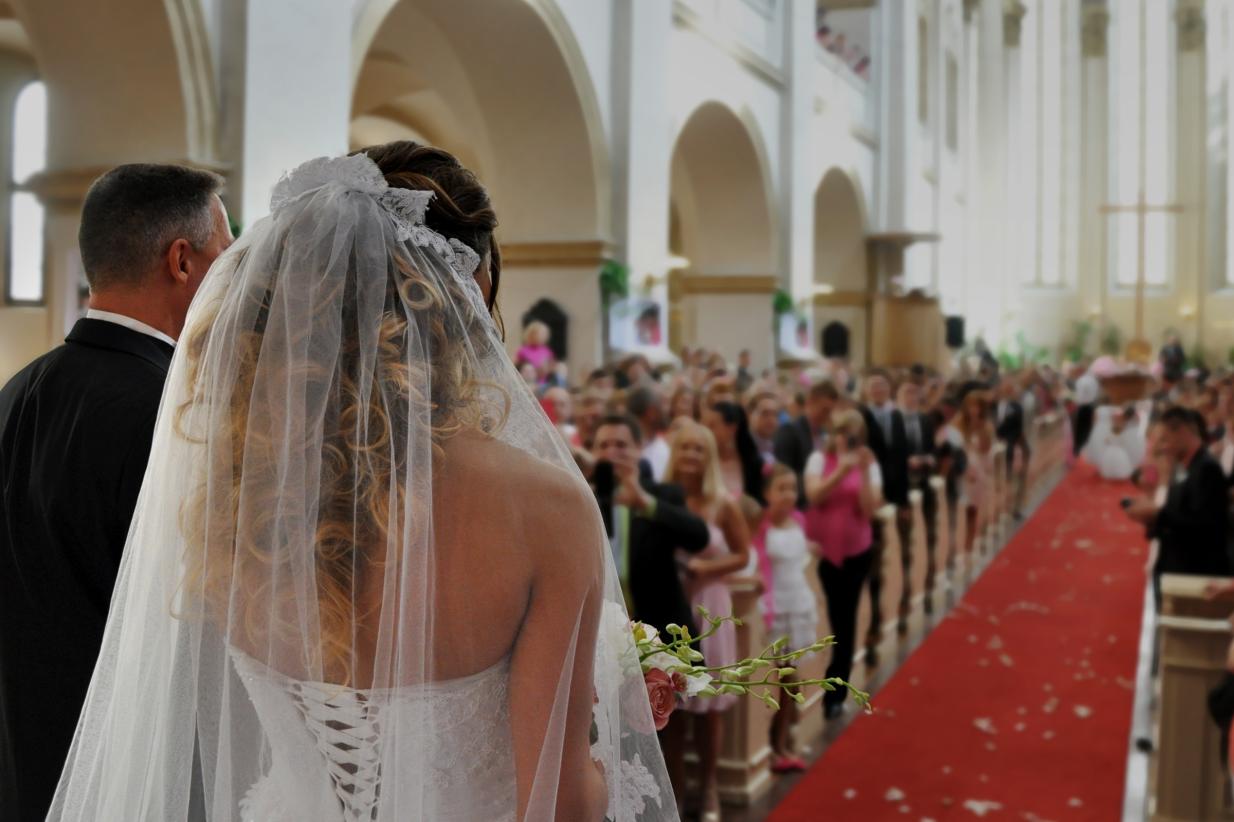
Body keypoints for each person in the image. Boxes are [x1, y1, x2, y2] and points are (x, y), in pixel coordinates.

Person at [45, 148, 678, 822]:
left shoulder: (231, 496)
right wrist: (608, 757)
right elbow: (558, 806)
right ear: (466, 298)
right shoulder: (545, 511)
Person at [0, 164, 232, 821]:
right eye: (224, 252)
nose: (230, 276)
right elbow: (196, 632)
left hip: (19, 771)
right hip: (122, 776)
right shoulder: (174, 417)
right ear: (181, 260)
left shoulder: (16, 392)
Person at [663, 420, 751, 822]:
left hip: (711, 605)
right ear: (675, 454)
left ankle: (710, 789)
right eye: (685, 449)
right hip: (670, 606)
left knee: (710, 707)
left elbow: (743, 555)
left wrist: (706, 566)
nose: (691, 457)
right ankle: (676, 793)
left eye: (699, 450)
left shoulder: (723, 503)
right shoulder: (666, 499)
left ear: (709, 457)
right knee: (673, 705)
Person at [804, 409, 881, 718]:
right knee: (830, 617)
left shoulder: (868, 465)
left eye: (852, 435)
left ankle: (836, 691)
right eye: (840, 433)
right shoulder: (819, 461)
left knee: (845, 620)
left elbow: (869, 509)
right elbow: (814, 496)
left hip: (856, 551)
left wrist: (861, 471)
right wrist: (840, 471)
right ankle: (817, 682)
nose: (845, 440)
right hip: (823, 553)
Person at [1125, 406, 1232, 605]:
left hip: (1196, 572)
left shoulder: (1207, 468)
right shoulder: (1188, 465)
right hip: (1178, 564)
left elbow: (1204, 526)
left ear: (1183, 432)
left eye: (1166, 439)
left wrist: (1157, 515)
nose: (1163, 447)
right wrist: (1153, 517)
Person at [750, 463, 818, 772]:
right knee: (777, 679)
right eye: (782, 489)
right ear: (767, 493)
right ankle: (772, 743)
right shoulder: (762, 527)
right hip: (774, 608)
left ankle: (785, 738)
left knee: (793, 677)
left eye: (793, 488)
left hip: (798, 603)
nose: (789, 495)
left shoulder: (800, 520)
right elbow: (759, 566)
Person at [859, 369, 912, 647]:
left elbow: (901, 457)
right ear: (867, 390)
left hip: (895, 491)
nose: (878, 390)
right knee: (875, 559)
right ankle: (874, 619)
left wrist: (903, 500)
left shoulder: (896, 415)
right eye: (874, 385)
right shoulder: (861, 417)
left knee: (903, 549)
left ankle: (901, 600)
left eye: (882, 385)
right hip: (873, 494)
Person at [898, 379, 940, 610]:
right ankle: (906, 594)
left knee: (930, 535)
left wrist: (928, 459)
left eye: (914, 394)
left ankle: (928, 589)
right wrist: (906, 461)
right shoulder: (894, 421)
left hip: (924, 483)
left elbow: (932, 448)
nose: (911, 398)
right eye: (907, 393)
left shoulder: (925, 420)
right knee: (906, 541)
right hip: (903, 484)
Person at [946, 389, 996, 559]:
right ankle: (953, 549)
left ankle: (968, 546)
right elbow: (952, 448)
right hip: (961, 471)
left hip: (979, 470)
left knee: (972, 510)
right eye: (970, 405)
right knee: (956, 510)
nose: (974, 409)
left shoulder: (986, 425)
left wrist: (980, 429)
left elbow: (987, 449)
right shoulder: (957, 423)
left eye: (977, 406)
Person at [774, 379, 839, 509]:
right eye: (824, 410)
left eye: (831, 411)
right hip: (799, 505)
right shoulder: (789, 431)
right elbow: (784, 471)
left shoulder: (827, 434)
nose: (828, 416)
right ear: (810, 402)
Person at [703, 401, 766, 505]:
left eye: (712, 426)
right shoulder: (702, 460)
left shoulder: (753, 464)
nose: (705, 431)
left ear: (732, 429)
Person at [995, 376, 1029, 518]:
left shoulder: (1017, 407)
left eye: (1010, 387)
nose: (1007, 389)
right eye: (1004, 386)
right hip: (993, 448)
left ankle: (1015, 507)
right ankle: (998, 509)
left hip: (1012, 446)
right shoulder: (992, 405)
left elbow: (1019, 429)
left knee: (1015, 478)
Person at [627, 385, 671, 481]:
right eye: (662, 405)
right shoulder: (625, 450)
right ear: (652, 412)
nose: (667, 411)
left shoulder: (665, 446)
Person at [746, 390, 782, 466]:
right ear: (749, 415)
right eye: (765, 413)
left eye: (775, 414)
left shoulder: (780, 448)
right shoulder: (742, 448)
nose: (771, 419)